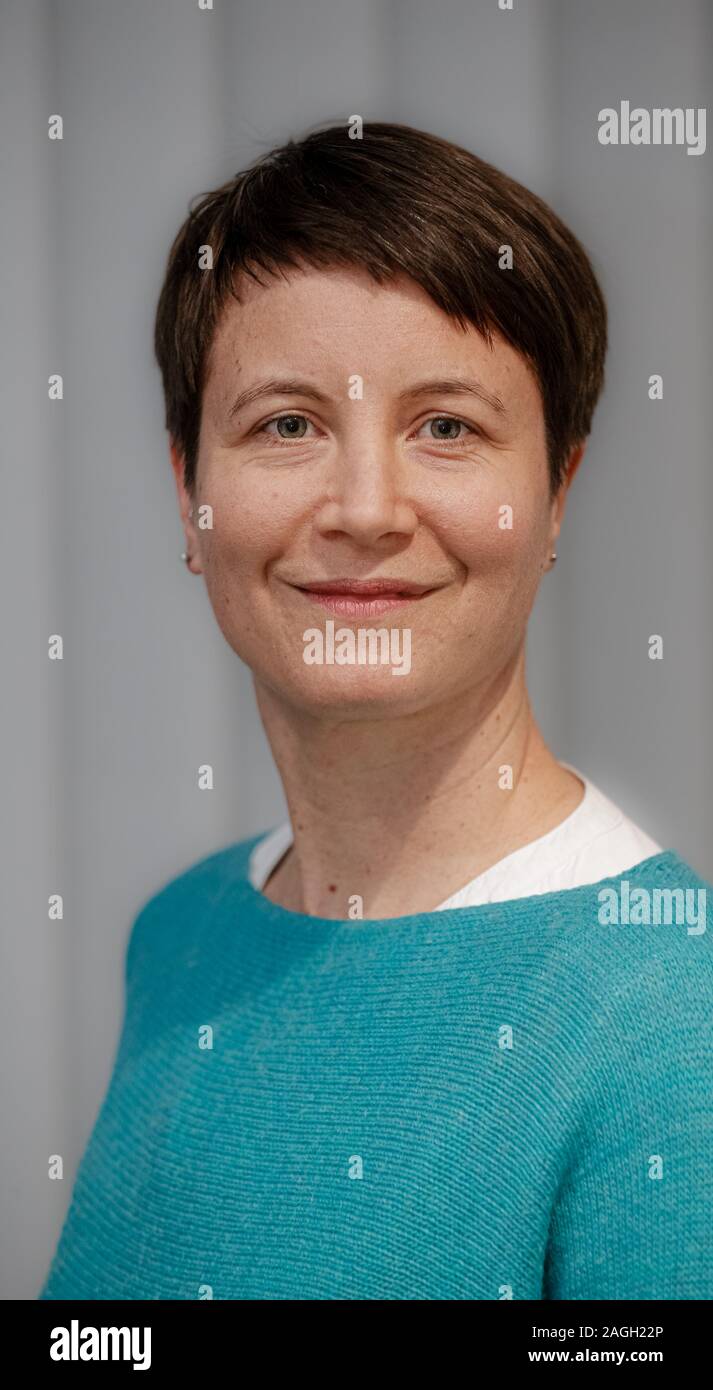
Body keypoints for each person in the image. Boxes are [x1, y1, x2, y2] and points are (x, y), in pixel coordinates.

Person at [40, 121, 713, 1301]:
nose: (363, 508)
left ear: (554, 492)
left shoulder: (672, 1020)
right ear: (187, 491)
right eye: (285, 424)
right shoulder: (182, 935)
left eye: (445, 426)